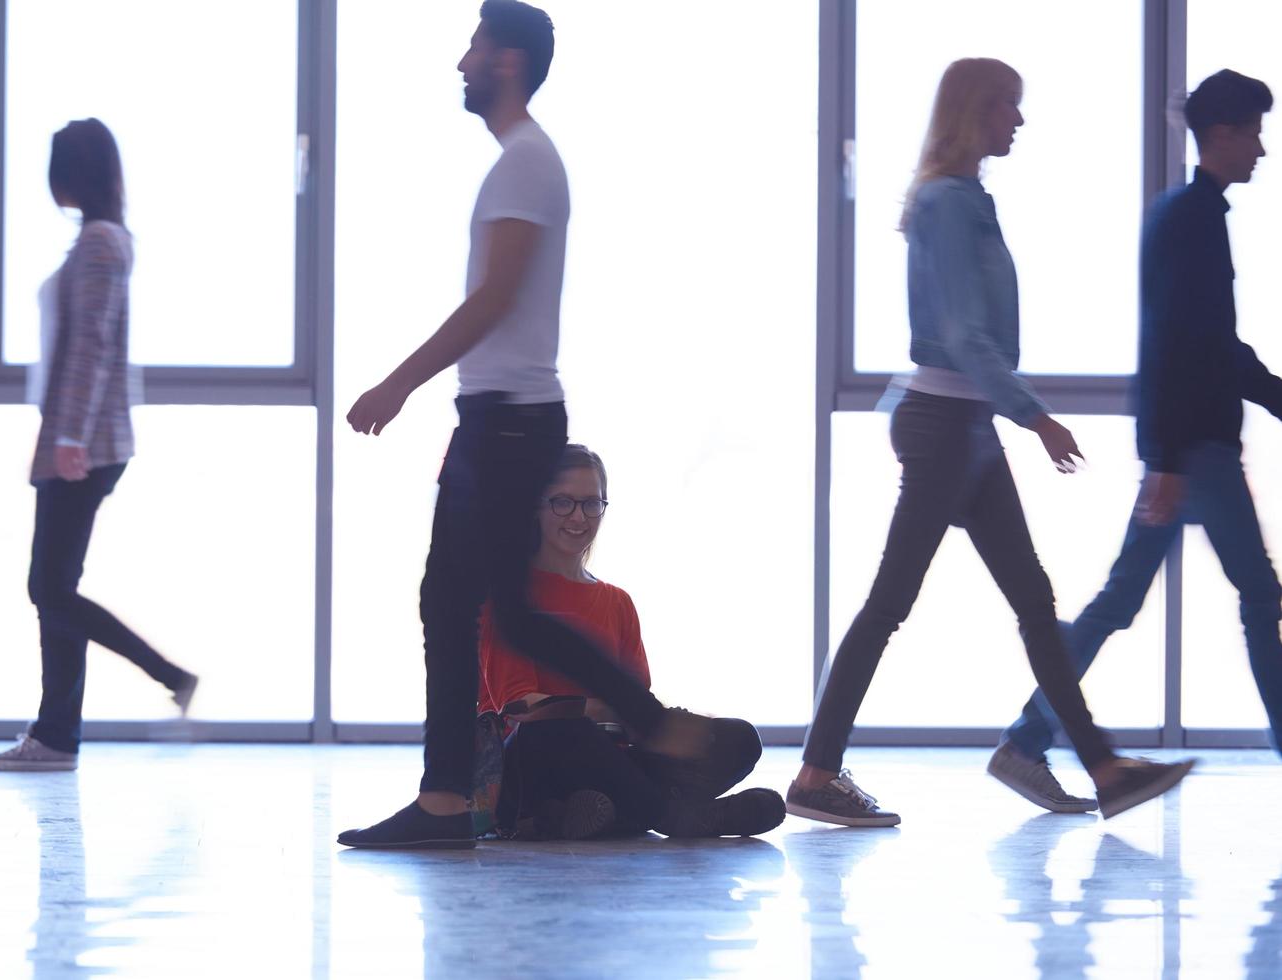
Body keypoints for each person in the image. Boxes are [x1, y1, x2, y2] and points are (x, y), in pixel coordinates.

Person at [337, 2, 710, 849]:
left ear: (505, 61)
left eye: (472, 47)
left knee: (470, 606)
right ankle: (450, 799)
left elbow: (496, 298)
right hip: (499, 418)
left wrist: (398, 383)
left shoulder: (526, 165)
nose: (459, 62)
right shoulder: (523, 163)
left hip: (508, 421)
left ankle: (623, 732)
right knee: (471, 606)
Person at [784, 58, 1194, 827]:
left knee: (1032, 602)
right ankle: (813, 775)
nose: (1018, 121)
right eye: (1008, 106)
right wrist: (1033, 415)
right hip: (945, 428)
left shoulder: (965, 198)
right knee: (889, 604)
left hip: (962, 427)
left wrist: (1008, 412)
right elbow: (965, 335)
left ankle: (1102, 768)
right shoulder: (946, 204)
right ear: (973, 111)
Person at [990, 69, 1282, 810]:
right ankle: (1024, 741)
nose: (1260, 148)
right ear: (1220, 134)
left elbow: (1201, 345)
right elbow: (1181, 346)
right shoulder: (1190, 218)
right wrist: (1165, 459)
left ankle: (1025, 740)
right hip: (1197, 454)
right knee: (1254, 596)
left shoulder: (1184, 213)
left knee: (1124, 600)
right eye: (1252, 131)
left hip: (1192, 451)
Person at [0, 119, 198, 773]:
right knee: (55, 588)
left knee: (49, 587)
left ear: (74, 173)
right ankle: (56, 737)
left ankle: (168, 677)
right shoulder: (98, 239)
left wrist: (70, 435)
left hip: (86, 444)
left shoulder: (101, 243)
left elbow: (91, 348)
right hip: (76, 440)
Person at [479, 444, 786, 840]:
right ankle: (674, 815)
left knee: (739, 738)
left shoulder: (617, 601)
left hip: (611, 759)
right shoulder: (508, 600)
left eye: (591, 504)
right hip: (530, 760)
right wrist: (618, 710)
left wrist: (671, 725)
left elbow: (635, 708)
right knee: (561, 731)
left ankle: (584, 815)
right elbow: (521, 709)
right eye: (563, 502)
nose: (578, 516)